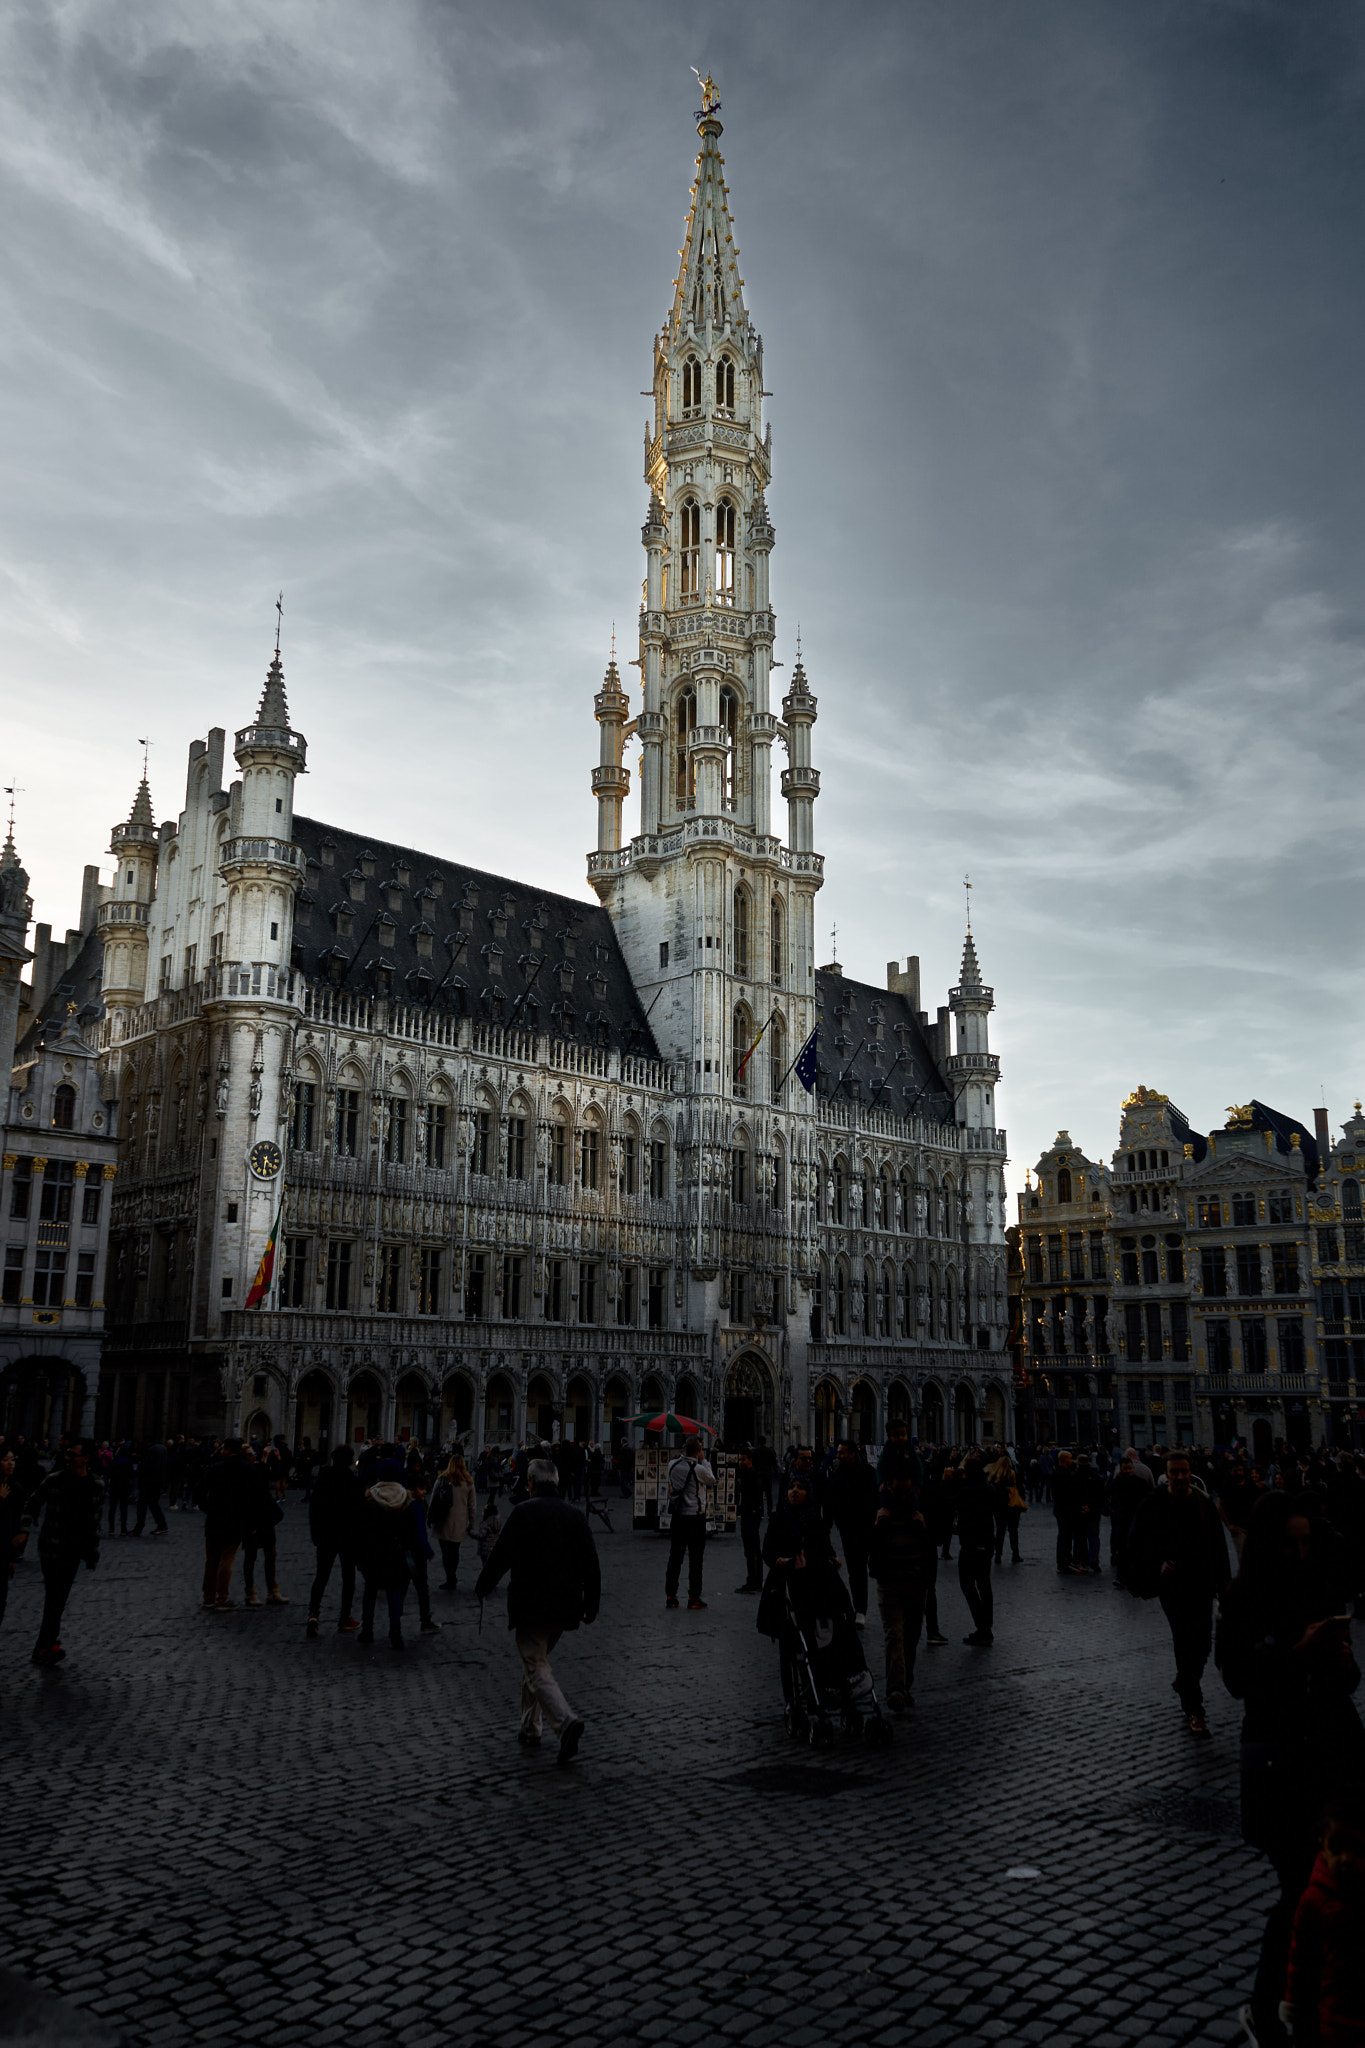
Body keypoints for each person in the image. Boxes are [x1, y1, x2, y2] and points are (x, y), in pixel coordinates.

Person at [1217, 1495, 1365, 2048]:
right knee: (1300, 1887)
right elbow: (1238, 1678)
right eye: (1291, 1542)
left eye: (1308, 1541)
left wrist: (1344, 1664)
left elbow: (1347, 1685)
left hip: (1333, 1754)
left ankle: (1311, 2002)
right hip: (1278, 1761)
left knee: (1326, 1884)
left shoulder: (1319, 1589)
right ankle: (1271, 2004)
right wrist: (1296, 1654)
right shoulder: (1243, 1598)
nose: (1301, 1551)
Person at [474, 1456, 600, 1763]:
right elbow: (591, 1564)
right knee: (535, 1662)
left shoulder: (523, 1512)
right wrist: (591, 1604)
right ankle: (530, 1727)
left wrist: (483, 1585)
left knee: (536, 1666)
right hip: (565, 1607)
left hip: (531, 1604)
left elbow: (501, 1555)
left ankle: (565, 1721)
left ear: (530, 1483)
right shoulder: (574, 1515)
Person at [1129, 1451, 1230, 1735]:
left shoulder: (1202, 1503)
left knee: (1202, 1645)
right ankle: (1194, 1707)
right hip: (1173, 1587)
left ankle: (1185, 1679)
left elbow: (1219, 1548)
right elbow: (1138, 1542)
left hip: (1202, 1583)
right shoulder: (1154, 1504)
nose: (1181, 1477)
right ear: (1167, 1474)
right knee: (1185, 1640)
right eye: (1175, 1472)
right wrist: (1155, 1566)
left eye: (1184, 1472)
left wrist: (1225, 1586)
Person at [1286, 1786, 1365, 2048]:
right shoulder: (1314, 1900)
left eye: (1358, 1849)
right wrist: (1296, 2014)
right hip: (1332, 2024)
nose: (1346, 1859)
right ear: (1322, 1845)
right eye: (1337, 1847)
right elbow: (1300, 1964)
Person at [20, 1440, 103, 1667]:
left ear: (85, 1458)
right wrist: (23, 1532)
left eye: (73, 1454)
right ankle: (44, 1646)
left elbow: (95, 1521)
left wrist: (92, 1552)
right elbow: (32, 1503)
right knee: (54, 1597)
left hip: (73, 1550)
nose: (68, 1457)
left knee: (59, 1598)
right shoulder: (54, 1480)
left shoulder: (96, 1484)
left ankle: (49, 1644)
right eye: (68, 1454)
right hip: (52, 1547)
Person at [869, 1474, 937, 1711]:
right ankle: (895, 1689)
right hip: (890, 1583)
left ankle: (904, 1684)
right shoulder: (878, 1509)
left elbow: (934, 1542)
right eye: (899, 1491)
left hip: (916, 1582)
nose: (904, 1496)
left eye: (907, 1491)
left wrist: (925, 1527)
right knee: (894, 1636)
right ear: (889, 1487)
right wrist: (877, 1528)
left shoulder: (920, 1509)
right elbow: (863, 1544)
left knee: (911, 1637)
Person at [306, 1445, 362, 1638]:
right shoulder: (354, 1482)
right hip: (347, 1537)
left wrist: (315, 1534)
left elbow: (314, 1508)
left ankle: (313, 1614)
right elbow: (358, 1514)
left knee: (321, 1576)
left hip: (325, 1535)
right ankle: (344, 1617)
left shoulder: (323, 1478)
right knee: (348, 1578)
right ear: (349, 1461)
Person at [826, 1439, 879, 1625]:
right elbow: (832, 1500)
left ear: (851, 1454)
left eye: (841, 1453)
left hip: (867, 1527)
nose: (838, 1456)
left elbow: (874, 1500)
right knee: (856, 1570)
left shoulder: (868, 1472)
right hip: (848, 1530)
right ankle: (860, 1610)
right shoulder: (838, 1474)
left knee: (871, 1567)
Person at [200, 1440, 255, 1610]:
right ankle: (222, 1598)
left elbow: (200, 1491)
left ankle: (208, 1597)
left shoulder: (215, 1468)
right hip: (236, 1520)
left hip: (215, 1518)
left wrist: (207, 1508)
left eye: (223, 1448)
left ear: (228, 1450)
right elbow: (253, 1498)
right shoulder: (248, 1470)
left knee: (212, 1560)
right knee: (227, 1558)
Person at [664, 1433, 714, 1611]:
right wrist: (704, 1460)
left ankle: (671, 1596)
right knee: (695, 1559)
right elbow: (712, 1479)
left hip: (678, 1517)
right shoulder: (699, 1469)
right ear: (698, 1450)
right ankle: (694, 1597)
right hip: (695, 1517)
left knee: (675, 1557)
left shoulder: (672, 1464)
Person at [955, 1452, 996, 1646]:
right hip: (987, 1541)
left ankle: (983, 1626)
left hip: (970, 1543)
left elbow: (953, 1506)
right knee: (984, 1584)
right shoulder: (989, 1488)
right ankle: (986, 1626)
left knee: (967, 1584)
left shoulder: (965, 1491)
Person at [241, 1448, 289, 1608]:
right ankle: (250, 1592)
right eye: (250, 1454)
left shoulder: (258, 1469)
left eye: (253, 1453)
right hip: (252, 1519)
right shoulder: (247, 1472)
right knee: (251, 1557)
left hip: (266, 1518)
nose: (254, 1456)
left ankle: (272, 1591)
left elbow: (272, 1475)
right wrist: (264, 1459)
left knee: (271, 1555)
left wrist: (275, 1459)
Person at [428, 1450, 478, 1591]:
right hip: (459, 1521)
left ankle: (449, 1577)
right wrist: (471, 1524)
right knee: (454, 1552)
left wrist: (429, 1517)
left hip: (443, 1519)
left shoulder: (442, 1479)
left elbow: (433, 1499)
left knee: (445, 1552)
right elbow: (472, 1507)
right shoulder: (468, 1482)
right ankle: (452, 1576)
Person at [735, 1446, 766, 1594]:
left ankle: (752, 1581)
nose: (740, 1462)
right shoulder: (749, 1474)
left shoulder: (751, 1475)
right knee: (753, 1549)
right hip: (750, 1514)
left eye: (743, 1459)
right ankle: (756, 1580)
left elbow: (753, 1497)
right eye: (739, 1459)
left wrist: (749, 1513)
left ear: (750, 1460)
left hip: (751, 1515)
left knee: (751, 1549)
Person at [987, 1450, 1026, 1564]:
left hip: (999, 1508)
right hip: (1012, 1507)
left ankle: (998, 1555)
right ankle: (1015, 1554)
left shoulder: (995, 1477)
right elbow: (1020, 1490)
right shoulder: (1014, 1475)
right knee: (1013, 1531)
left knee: (1000, 1532)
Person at [133, 1436, 168, 1537]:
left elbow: (147, 1466)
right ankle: (162, 1525)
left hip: (149, 1482)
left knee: (142, 1505)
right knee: (153, 1504)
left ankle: (139, 1528)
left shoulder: (152, 1450)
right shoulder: (162, 1449)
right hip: (158, 1481)